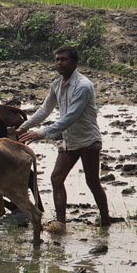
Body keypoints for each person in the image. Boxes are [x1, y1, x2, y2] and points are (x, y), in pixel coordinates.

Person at [16, 45, 110, 234]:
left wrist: (41, 133)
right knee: (56, 178)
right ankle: (61, 224)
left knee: (92, 182)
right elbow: (45, 109)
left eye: (64, 59)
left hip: (88, 140)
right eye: (57, 59)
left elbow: (70, 117)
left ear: (74, 62)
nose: (60, 63)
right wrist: (24, 127)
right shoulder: (57, 84)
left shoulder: (83, 86)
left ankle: (105, 220)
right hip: (69, 139)